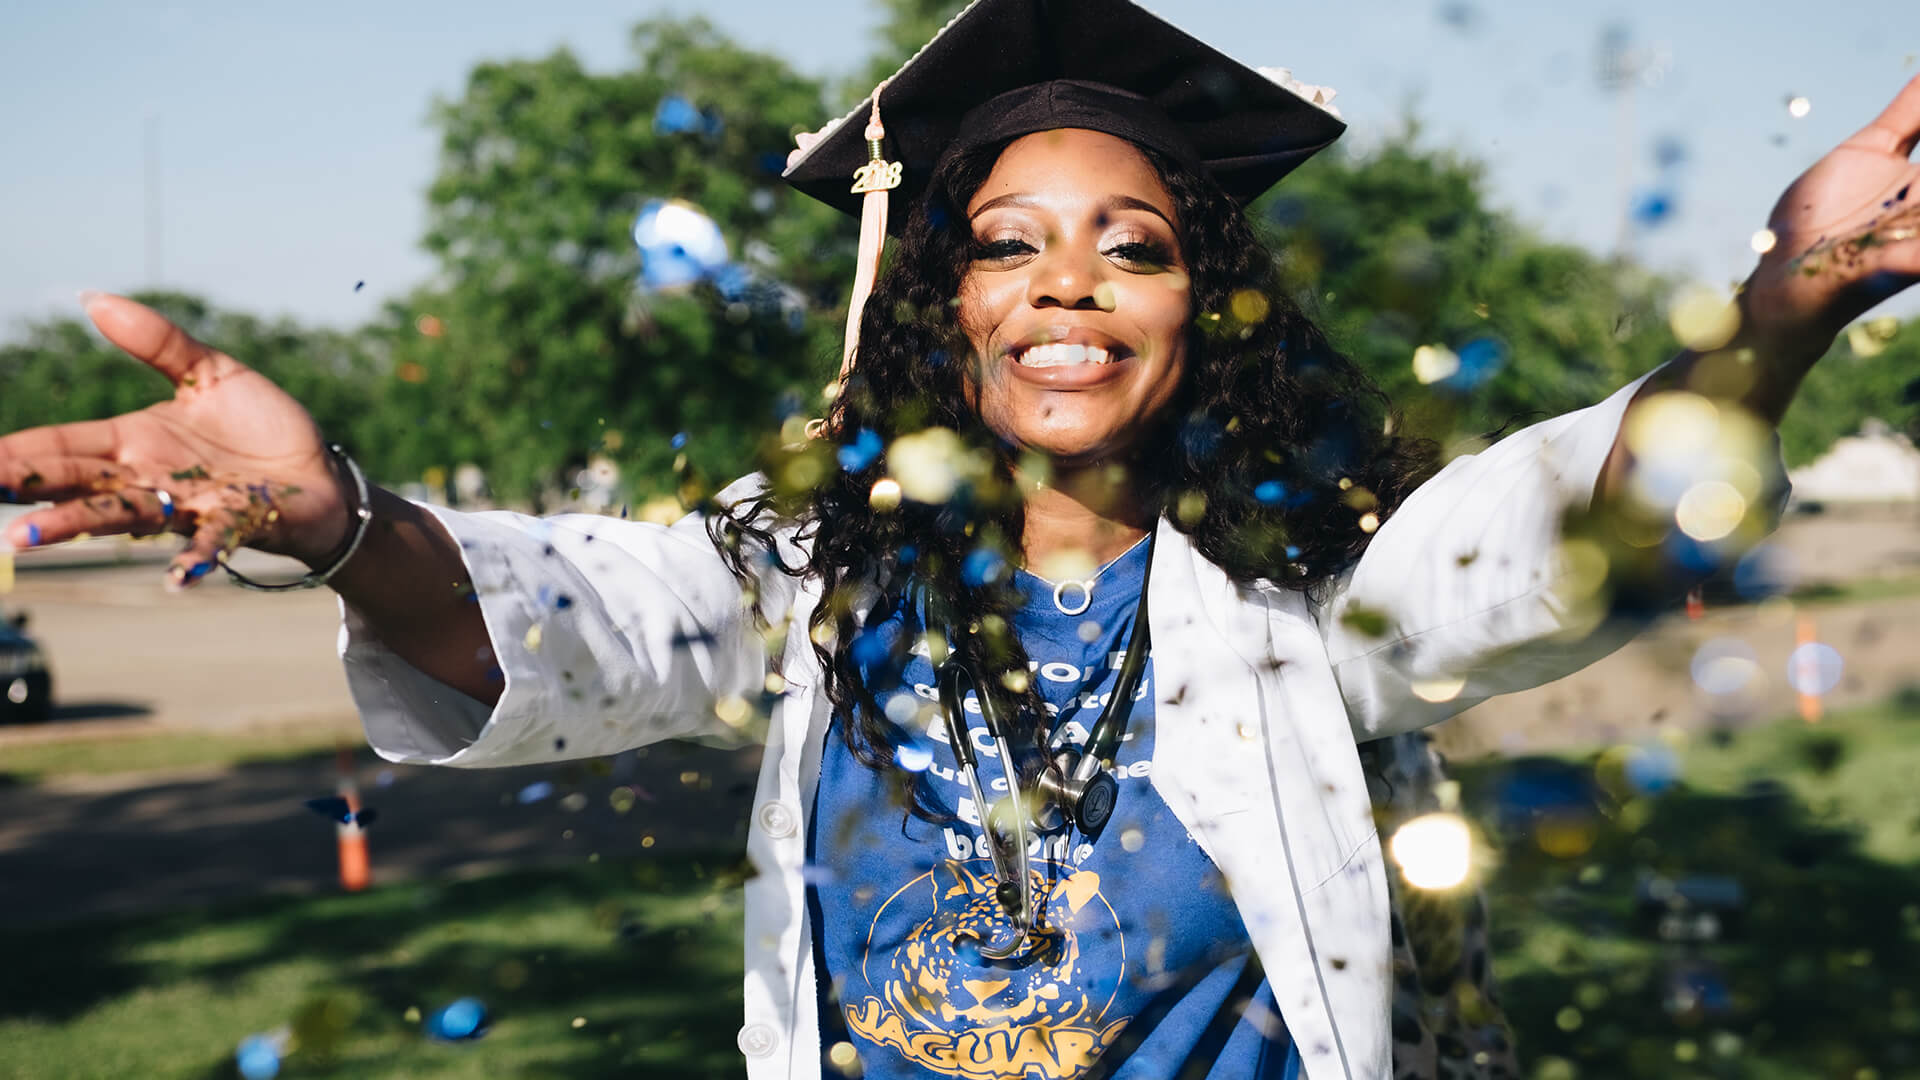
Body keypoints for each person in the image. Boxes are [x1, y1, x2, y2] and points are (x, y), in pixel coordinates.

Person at [3, 0, 1916, 1075]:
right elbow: (587, 619)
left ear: (1203, 302)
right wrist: (342, 523)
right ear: (936, 300)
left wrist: (1790, 302)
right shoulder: (816, 582)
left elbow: (1538, 535)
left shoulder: (1312, 592)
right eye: (1005, 237)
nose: (1067, 281)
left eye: (1135, 241)